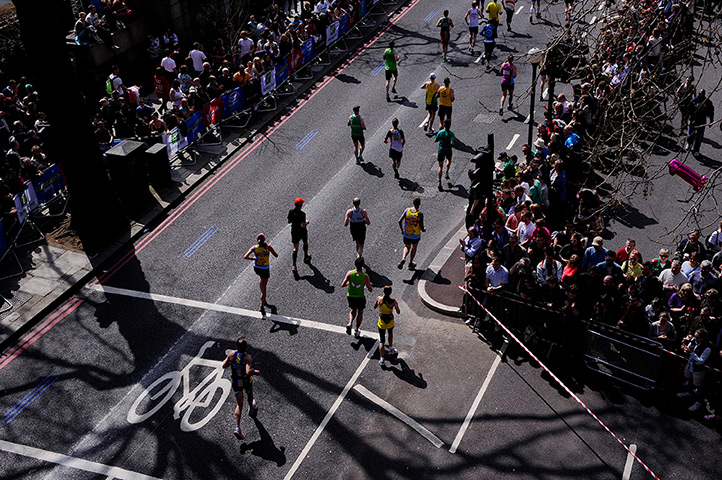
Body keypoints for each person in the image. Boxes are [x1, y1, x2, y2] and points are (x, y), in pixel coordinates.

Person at [222, 337, 260, 440]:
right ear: (246, 347)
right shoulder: (247, 357)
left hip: (236, 382)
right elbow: (248, 371)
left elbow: (224, 366)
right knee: (250, 395)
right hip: (246, 381)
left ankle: (237, 427)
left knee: (239, 404)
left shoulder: (231, 355)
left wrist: (232, 364)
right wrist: (255, 372)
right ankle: (252, 409)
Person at [244, 233, 278, 315]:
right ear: (264, 239)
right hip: (265, 269)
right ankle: (262, 306)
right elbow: (276, 255)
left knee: (261, 279)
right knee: (264, 289)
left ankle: (263, 299)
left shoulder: (254, 248)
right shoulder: (268, 247)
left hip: (257, 268)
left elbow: (245, 256)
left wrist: (252, 258)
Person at [342, 257, 374, 338]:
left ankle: (350, 323)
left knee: (353, 310)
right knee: (360, 312)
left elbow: (343, 285)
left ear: (355, 264)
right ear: (362, 266)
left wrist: (349, 283)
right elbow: (370, 289)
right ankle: (356, 330)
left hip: (350, 296)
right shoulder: (365, 276)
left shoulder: (350, 273)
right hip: (360, 297)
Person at [374, 286, 400, 366]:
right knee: (390, 333)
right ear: (391, 292)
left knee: (382, 340)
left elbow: (375, 307)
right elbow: (398, 311)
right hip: (390, 321)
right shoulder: (393, 301)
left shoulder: (379, 299)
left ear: (383, 291)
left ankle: (382, 359)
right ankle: (391, 348)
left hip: (381, 322)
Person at [398, 197, 425, 270]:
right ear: (419, 204)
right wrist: (424, 230)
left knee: (407, 246)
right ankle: (410, 263)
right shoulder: (420, 214)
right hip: (415, 235)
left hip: (406, 234)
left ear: (413, 203)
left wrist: (402, 230)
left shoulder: (407, 210)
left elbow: (399, 221)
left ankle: (403, 258)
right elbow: (421, 227)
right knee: (414, 248)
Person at [288, 197, 311, 273]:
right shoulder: (302, 214)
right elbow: (303, 225)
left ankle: (294, 265)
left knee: (295, 248)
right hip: (302, 231)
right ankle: (305, 257)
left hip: (294, 231)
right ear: (300, 205)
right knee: (305, 242)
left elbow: (289, 221)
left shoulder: (291, 211)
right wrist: (307, 222)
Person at [434, 119, 456, 191]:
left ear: (444, 125)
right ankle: (446, 172)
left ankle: (439, 181)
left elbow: (435, 140)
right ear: (450, 126)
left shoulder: (440, 132)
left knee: (440, 165)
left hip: (441, 150)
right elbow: (452, 143)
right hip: (448, 150)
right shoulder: (451, 134)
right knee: (449, 160)